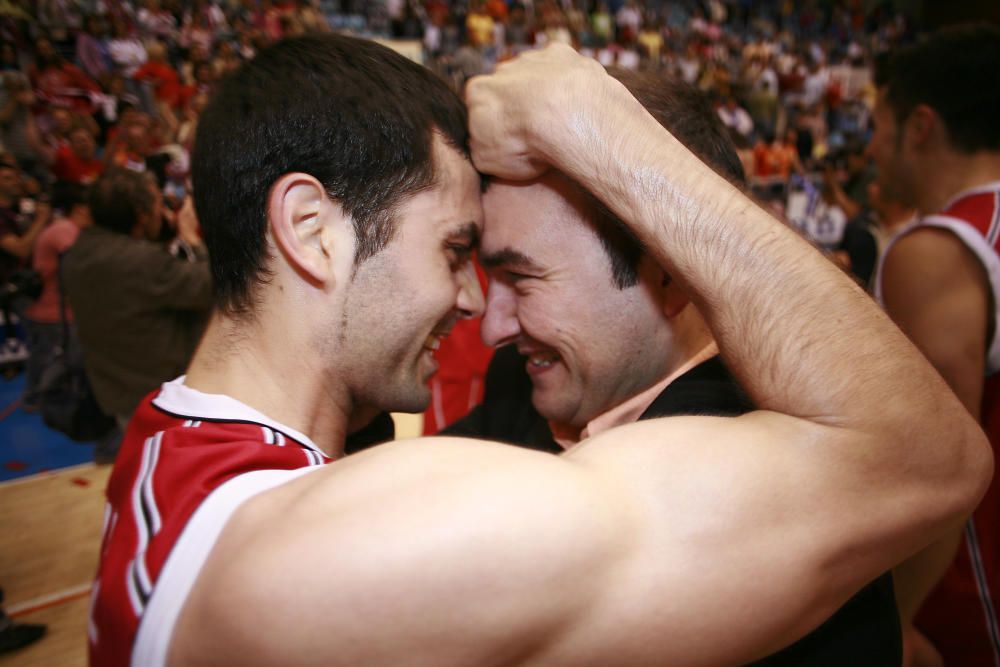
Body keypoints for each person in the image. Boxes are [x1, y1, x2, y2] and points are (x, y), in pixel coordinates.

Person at [88, 36, 991, 667]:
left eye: (515, 271)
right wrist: (591, 122)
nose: (478, 309)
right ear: (312, 230)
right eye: (456, 251)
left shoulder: (168, 443)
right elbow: (926, 455)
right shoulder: (323, 553)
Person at [447, 69, 900, 664]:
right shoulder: (527, 381)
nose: (492, 327)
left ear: (669, 271)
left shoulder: (775, 467)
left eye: (522, 277)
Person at [869, 23, 1000, 667]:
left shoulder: (938, 251)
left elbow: (944, 467)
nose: (869, 147)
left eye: (877, 125)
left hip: (974, 600)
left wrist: (892, 622)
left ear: (918, 126)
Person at [62, 168, 210, 431]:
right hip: (164, 399)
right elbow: (211, 286)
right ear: (142, 214)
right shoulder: (140, 262)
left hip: (117, 391)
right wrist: (192, 238)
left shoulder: (79, 252)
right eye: (157, 203)